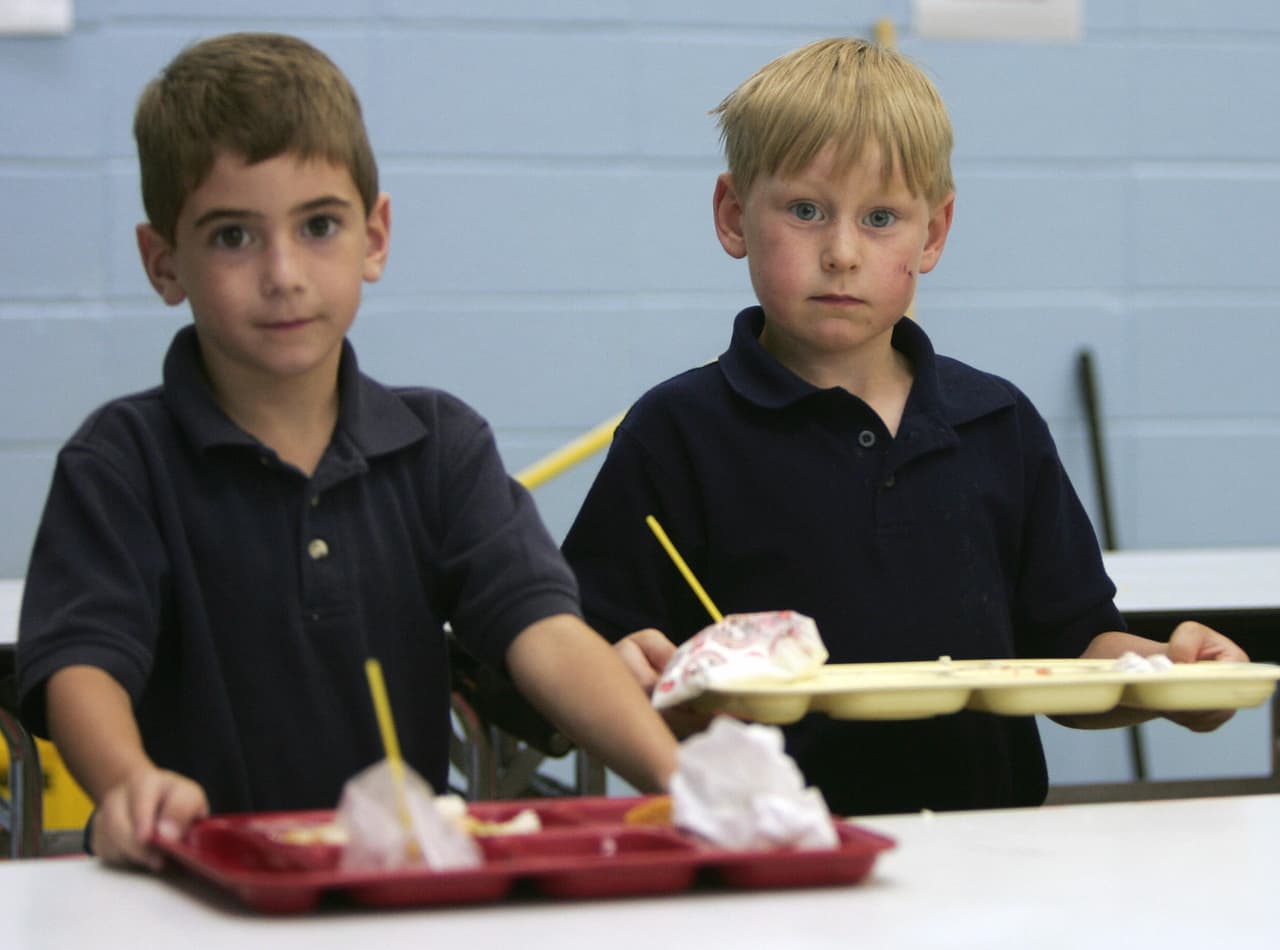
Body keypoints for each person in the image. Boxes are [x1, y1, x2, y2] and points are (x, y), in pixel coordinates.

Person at [15, 32, 677, 869]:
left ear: (374, 236)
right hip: (195, 889)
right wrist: (129, 783)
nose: (283, 272)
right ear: (162, 262)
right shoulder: (120, 461)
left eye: (319, 224)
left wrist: (678, 774)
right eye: (231, 237)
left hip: (399, 890)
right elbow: (83, 661)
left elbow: (540, 630)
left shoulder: (441, 447)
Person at [562, 37, 1247, 818]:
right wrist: (632, 673)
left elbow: (1078, 657)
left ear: (933, 233)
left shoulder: (1000, 426)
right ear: (733, 216)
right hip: (763, 862)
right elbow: (580, 656)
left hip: (989, 862)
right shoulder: (676, 433)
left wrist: (1168, 675)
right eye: (805, 210)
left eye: (881, 217)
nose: (843, 253)